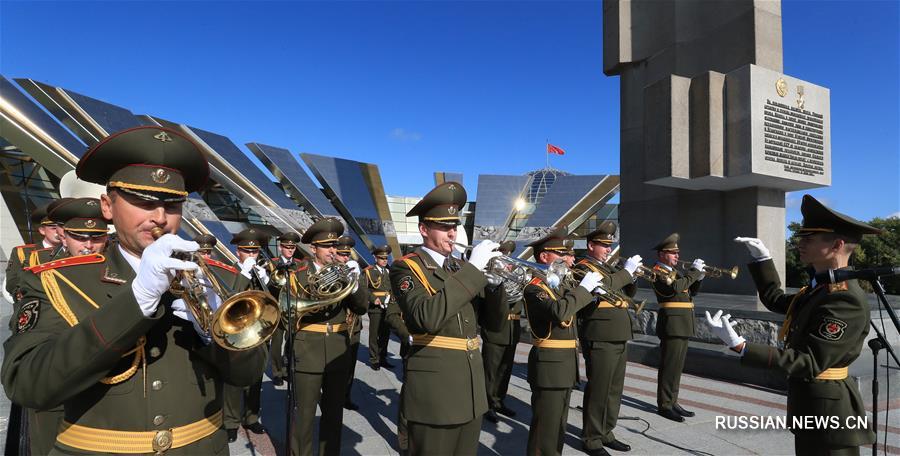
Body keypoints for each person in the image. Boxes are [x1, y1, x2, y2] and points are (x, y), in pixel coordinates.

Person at [1, 125, 268, 454]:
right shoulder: (56, 280)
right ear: (108, 207)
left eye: (172, 204)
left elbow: (249, 374)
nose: (159, 217)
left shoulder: (222, 279)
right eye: (142, 201)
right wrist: (138, 298)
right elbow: (28, 385)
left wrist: (217, 335)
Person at [708, 195, 878, 455]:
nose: (800, 244)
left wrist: (741, 346)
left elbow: (809, 362)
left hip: (831, 414)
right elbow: (776, 299)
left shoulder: (843, 298)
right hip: (813, 404)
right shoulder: (820, 287)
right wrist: (762, 260)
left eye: (809, 239)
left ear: (837, 245)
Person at [389, 181, 506, 455]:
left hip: (471, 390)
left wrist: (496, 286)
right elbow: (426, 317)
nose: (451, 232)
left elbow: (494, 325)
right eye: (443, 226)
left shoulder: (460, 268)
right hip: (436, 392)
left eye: (454, 226)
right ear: (423, 229)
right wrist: (474, 271)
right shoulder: (406, 268)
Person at [289, 217, 367, 456]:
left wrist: (355, 285)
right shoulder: (298, 274)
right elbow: (288, 312)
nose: (333, 250)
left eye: (335, 246)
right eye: (327, 246)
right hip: (308, 349)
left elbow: (362, 307)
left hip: (338, 349)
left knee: (334, 413)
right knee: (304, 414)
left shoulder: (345, 272)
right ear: (314, 248)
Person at [523, 229, 602, 456]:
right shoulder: (535, 287)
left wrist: (592, 295)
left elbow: (575, 309)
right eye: (560, 253)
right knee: (544, 430)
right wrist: (583, 290)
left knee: (558, 427)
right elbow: (560, 311)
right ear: (543, 257)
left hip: (565, 365)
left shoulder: (562, 287)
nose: (568, 259)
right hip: (549, 367)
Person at [574, 222, 642, 455]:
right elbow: (602, 286)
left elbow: (627, 293)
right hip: (599, 334)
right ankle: (591, 438)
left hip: (619, 333)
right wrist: (625, 273)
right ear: (591, 245)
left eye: (609, 245)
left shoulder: (610, 268)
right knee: (599, 388)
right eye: (603, 245)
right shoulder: (582, 267)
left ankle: (606, 431)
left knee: (614, 389)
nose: (607, 249)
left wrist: (632, 275)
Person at [222, 228, 271, 442]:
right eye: (246, 251)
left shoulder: (260, 272)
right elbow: (229, 297)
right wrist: (243, 274)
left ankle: (251, 417)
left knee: (256, 377)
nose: (251, 255)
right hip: (236, 331)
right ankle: (231, 422)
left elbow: (270, 304)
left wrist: (265, 283)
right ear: (238, 251)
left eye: (255, 251)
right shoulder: (228, 270)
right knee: (233, 379)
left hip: (257, 331)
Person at [650, 233, 704, 422]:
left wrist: (699, 277)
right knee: (669, 365)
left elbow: (691, 292)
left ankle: (673, 401)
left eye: (677, 253)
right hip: (671, 324)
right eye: (672, 253)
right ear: (661, 254)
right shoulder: (657, 271)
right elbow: (673, 289)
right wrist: (693, 273)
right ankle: (664, 405)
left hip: (682, 323)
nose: (677, 256)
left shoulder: (677, 273)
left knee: (677, 366)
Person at [481, 239, 523, 424]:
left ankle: (499, 401)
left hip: (512, 330)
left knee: (505, 370)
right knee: (490, 371)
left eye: (508, 253)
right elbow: (486, 302)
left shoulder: (515, 273)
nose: (506, 256)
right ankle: (486, 405)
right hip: (495, 329)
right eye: (502, 252)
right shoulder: (488, 275)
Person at [4, 199, 68, 305]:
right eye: (53, 228)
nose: (58, 232)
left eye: (61, 228)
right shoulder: (22, 252)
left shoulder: (71, 251)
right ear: (42, 230)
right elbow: (11, 283)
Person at [269, 231, 303, 386]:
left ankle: (287, 369)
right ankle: (276, 371)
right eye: (287, 247)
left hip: (292, 308)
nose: (290, 250)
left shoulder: (299, 264)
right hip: (277, 307)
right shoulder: (272, 263)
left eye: (293, 247)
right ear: (281, 247)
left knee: (291, 340)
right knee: (276, 342)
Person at [336, 235, 364, 411]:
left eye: (347, 255)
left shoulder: (355, 270)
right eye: (341, 254)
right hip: (337, 326)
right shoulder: (329, 271)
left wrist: (357, 282)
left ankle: (346, 395)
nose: (345, 258)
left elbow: (363, 303)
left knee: (350, 365)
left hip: (354, 325)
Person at [366, 244, 395, 370]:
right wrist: (373, 299)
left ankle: (383, 357)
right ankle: (374, 359)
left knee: (385, 333)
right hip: (376, 307)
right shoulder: (369, 271)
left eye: (386, 258)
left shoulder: (390, 271)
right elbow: (364, 288)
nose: (384, 261)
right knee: (374, 333)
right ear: (375, 258)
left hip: (388, 306)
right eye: (381, 258)